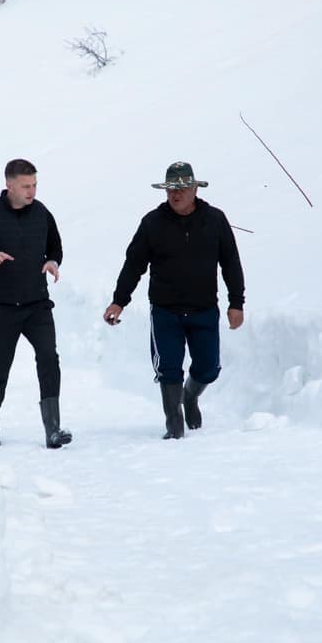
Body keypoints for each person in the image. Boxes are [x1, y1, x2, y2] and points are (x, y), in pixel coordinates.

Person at [103, 161, 245, 439]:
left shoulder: (215, 220)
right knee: (168, 367)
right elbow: (133, 265)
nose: (175, 194)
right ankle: (174, 425)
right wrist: (119, 301)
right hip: (165, 311)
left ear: (194, 188)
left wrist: (236, 302)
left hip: (204, 309)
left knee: (209, 367)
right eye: (171, 189)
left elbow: (230, 262)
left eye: (181, 188)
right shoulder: (152, 223)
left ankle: (189, 396)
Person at [0, 158, 72, 449]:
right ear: (9, 184)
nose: (31, 191)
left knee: (49, 358)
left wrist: (52, 260)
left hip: (37, 304)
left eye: (34, 184)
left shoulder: (42, 214)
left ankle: (53, 428)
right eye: (25, 185)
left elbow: (56, 247)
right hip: (1, 307)